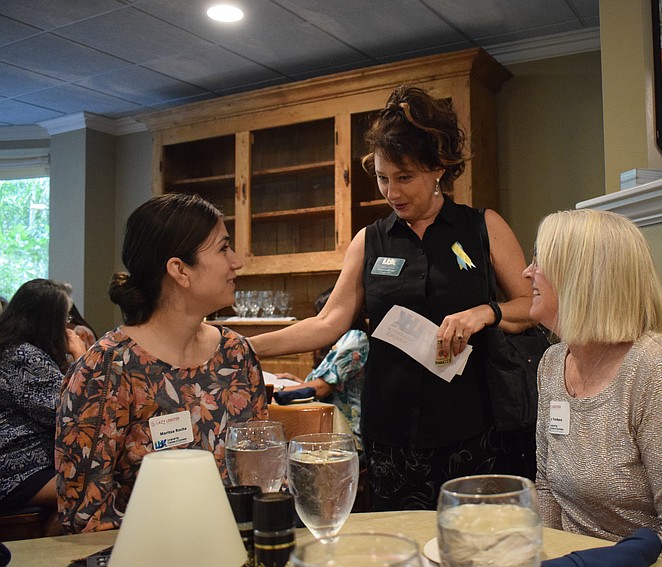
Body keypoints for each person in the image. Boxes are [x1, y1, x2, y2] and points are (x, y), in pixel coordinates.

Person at [250, 85, 534, 510]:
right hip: (390, 434)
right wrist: (241, 345)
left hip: (473, 426)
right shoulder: (369, 241)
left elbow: (531, 306)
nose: (392, 192)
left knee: (473, 544)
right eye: (383, 178)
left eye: (405, 178)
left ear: (437, 168)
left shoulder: (482, 227)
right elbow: (327, 324)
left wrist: (484, 312)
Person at [527, 209, 662, 566]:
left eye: (540, 260)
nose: (528, 272)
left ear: (581, 277)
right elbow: (548, 487)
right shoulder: (553, 363)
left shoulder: (661, 371)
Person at [55, 193, 268, 534]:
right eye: (223, 248)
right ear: (179, 270)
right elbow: (86, 517)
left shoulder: (236, 354)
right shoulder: (106, 371)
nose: (237, 261)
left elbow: (263, 473)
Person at [0, 279, 87, 535]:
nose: (68, 323)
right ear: (47, 318)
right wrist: (81, 357)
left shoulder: (16, 349)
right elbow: (69, 412)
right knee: (93, 489)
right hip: (17, 468)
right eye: (65, 315)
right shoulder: (24, 356)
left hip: (26, 464)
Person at [274, 287, 369, 446]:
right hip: (325, 424)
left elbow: (321, 388)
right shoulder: (337, 340)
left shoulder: (355, 338)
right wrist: (296, 382)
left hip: (347, 434)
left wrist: (278, 390)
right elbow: (331, 387)